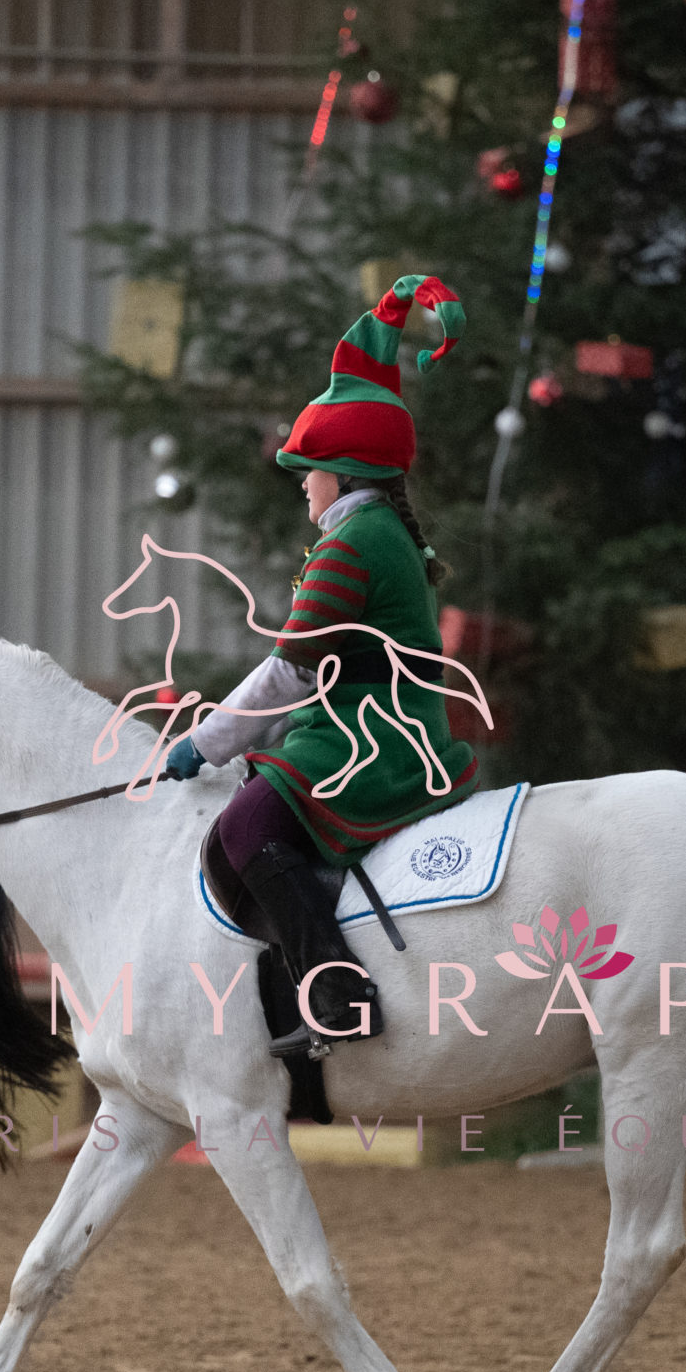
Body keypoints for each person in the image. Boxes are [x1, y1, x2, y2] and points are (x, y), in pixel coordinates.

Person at [162, 274, 477, 1057]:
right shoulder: (374, 534)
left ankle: (336, 989)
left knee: (247, 823)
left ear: (344, 470)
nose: (303, 480)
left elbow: (291, 673)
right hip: (369, 723)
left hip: (375, 736)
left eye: (310, 466)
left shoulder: (353, 543)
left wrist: (205, 742)